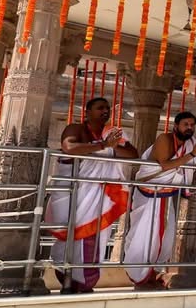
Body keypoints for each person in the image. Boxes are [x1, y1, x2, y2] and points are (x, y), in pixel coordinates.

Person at [48, 97, 139, 294]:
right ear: (87, 112)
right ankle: (68, 281)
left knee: (96, 239)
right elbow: (69, 147)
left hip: (97, 197)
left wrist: (113, 145)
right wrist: (102, 145)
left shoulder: (111, 134)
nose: (105, 111)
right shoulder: (75, 128)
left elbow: (133, 155)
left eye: (107, 108)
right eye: (100, 108)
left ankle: (85, 282)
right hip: (75, 193)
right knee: (71, 236)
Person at [124, 111, 196, 289]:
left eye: (192, 125)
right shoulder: (165, 139)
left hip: (165, 194)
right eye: (186, 124)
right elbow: (164, 165)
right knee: (145, 233)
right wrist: (193, 155)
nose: (189, 128)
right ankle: (140, 276)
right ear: (176, 126)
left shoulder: (190, 144)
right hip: (149, 193)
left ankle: (153, 273)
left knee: (165, 235)